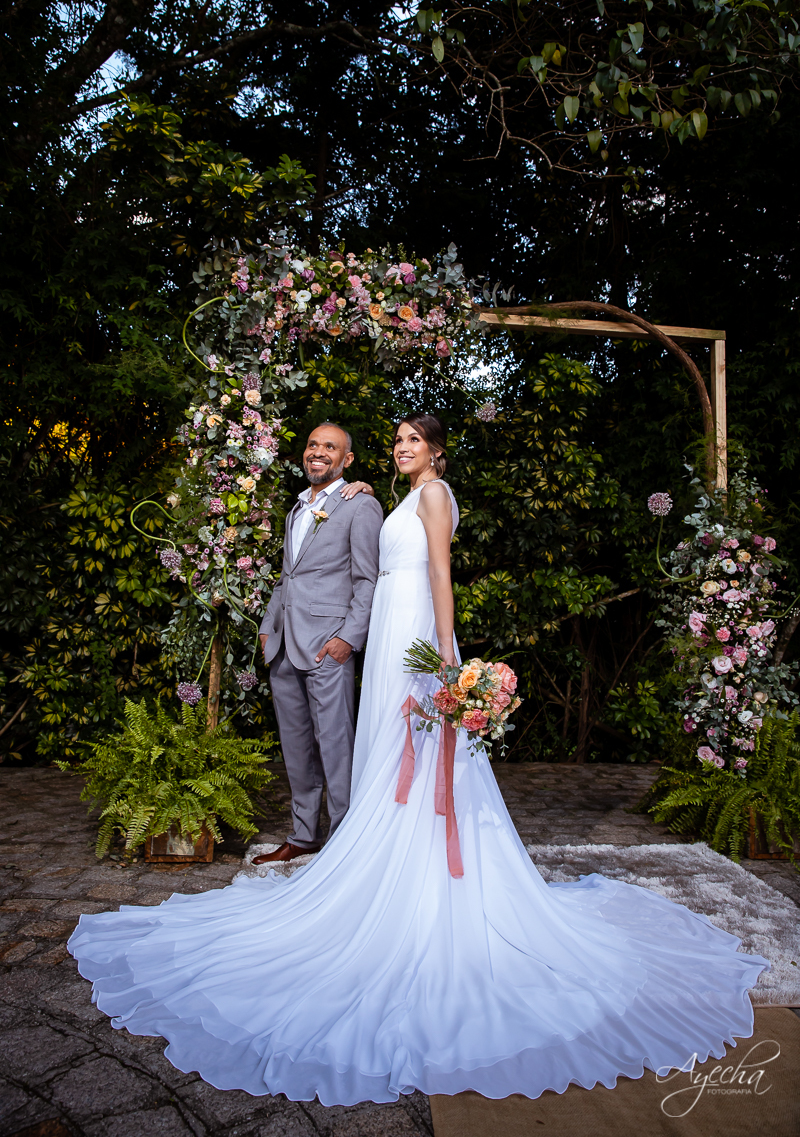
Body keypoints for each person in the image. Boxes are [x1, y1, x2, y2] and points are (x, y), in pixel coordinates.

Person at [68, 413, 768, 1106]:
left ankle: (414, 862)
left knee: (421, 749)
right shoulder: (396, 494)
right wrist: (364, 490)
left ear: (435, 451)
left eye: (413, 442)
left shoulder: (432, 495)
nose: (402, 448)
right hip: (394, 635)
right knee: (387, 751)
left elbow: (439, 569)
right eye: (397, 441)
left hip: (417, 637)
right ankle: (384, 844)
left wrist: (445, 654)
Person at [254, 422, 383, 864]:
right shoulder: (296, 507)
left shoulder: (360, 506)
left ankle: (345, 841)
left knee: (334, 744)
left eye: (330, 447)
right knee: (295, 746)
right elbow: (288, 575)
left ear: (346, 460)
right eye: (313, 444)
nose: (318, 452)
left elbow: (368, 580)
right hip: (284, 646)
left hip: (328, 646)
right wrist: (269, 625)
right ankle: (304, 834)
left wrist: (348, 638)